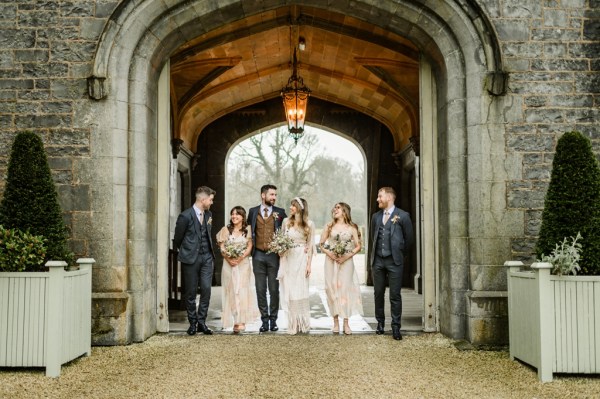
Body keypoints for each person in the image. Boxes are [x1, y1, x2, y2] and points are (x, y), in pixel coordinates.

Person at [370, 187, 414, 341]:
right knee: (378, 294)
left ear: (389, 197)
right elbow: (373, 238)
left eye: (379, 196)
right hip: (378, 261)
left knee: (395, 295)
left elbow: (409, 240)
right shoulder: (376, 217)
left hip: (395, 261)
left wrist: (400, 254)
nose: (377, 199)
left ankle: (396, 327)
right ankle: (380, 324)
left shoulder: (403, 216)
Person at [173, 186, 217, 336]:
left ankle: (202, 322)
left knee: (206, 289)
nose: (211, 202)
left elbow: (207, 234)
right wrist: (188, 250)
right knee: (190, 293)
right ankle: (192, 323)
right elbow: (178, 238)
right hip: (191, 259)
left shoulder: (209, 214)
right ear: (203, 199)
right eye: (210, 200)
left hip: (207, 258)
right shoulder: (185, 216)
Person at [247, 184, 288, 332]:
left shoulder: (280, 212)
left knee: (274, 289)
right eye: (271, 195)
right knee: (260, 289)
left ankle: (273, 320)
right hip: (258, 254)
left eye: (275, 195)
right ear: (263, 195)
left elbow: (287, 231)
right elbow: (248, 231)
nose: (274, 197)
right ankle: (264, 320)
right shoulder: (252, 212)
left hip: (273, 256)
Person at [319, 202, 363, 335]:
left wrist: (346, 256)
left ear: (345, 211)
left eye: (338, 208)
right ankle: (335, 322)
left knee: (345, 290)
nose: (335, 209)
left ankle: (346, 322)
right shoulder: (329, 226)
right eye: (334, 208)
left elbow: (358, 246)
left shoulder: (352, 227)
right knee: (331, 288)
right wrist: (330, 253)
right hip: (331, 262)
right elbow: (321, 244)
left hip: (346, 262)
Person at [216, 206, 259, 333]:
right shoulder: (225, 230)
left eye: (237, 214)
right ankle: (234, 319)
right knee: (231, 290)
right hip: (229, 264)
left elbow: (249, 246)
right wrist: (229, 258)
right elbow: (222, 247)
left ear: (243, 216)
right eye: (232, 214)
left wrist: (240, 258)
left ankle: (241, 320)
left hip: (243, 264)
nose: (234, 216)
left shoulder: (248, 229)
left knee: (242, 290)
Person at [278, 197, 314, 334]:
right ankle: (292, 323)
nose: (290, 208)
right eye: (290, 205)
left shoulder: (309, 224)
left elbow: (310, 246)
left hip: (301, 259)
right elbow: (281, 239)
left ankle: (301, 322)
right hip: (288, 258)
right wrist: (280, 250)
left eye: (293, 206)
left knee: (301, 290)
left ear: (300, 208)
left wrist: (309, 265)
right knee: (290, 291)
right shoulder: (286, 222)